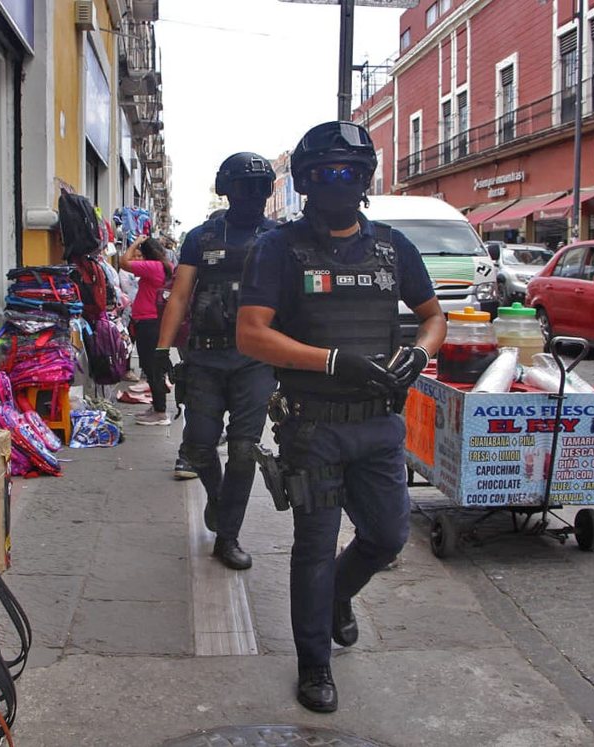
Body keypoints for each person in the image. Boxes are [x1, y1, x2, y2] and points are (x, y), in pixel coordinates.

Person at [235, 121, 446, 713]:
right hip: (312, 426)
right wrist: (333, 362)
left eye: (350, 173)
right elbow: (251, 335)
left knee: (386, 535)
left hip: (380, 424)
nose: (339, 183)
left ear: (365, 180)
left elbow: (434, 316)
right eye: (327, 174)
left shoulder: (392, 248)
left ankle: (338, 598)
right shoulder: (278, 248)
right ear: (305, 182)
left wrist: (420, 352)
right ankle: (314, 667)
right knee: (314, 546)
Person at [154, 153, 279, 569]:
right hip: (205, 357)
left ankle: (228, 535)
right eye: (245, 187)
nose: (253, 196)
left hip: (256, 360)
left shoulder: (279, 237)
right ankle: (218, 497)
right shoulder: (202, 238)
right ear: (226, 189)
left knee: (244, 449)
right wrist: (161, 350)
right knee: (198, 445)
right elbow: (181, 295)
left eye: (261, 188)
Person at [119, 234, 173, 425]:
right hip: (154, 322)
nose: (137, 256)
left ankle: (160, 413)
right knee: (153, 368)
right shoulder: (162, 266)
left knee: (152, 369)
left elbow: (124, 262)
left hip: (149, 323)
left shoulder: (153, 267)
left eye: (141, 253)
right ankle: (158, 408)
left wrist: (134, 243)